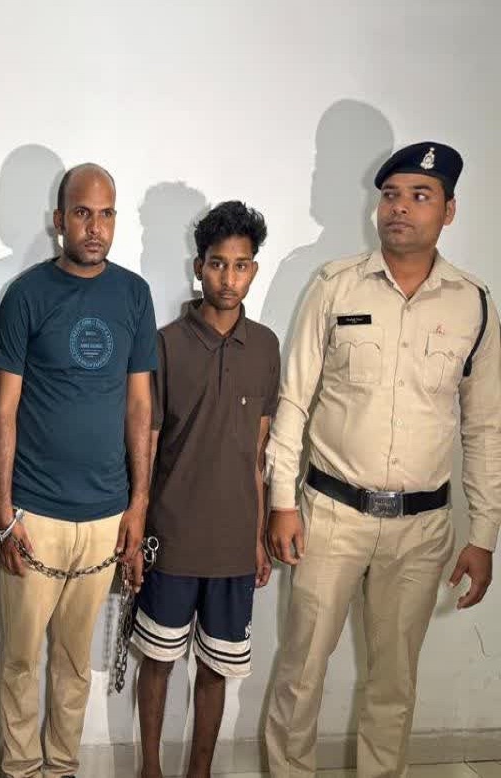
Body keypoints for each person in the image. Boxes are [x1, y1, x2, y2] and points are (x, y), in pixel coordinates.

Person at [264, 142, 501, 776]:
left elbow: (485, 427)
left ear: (449, 211)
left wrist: (483, 533)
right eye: (391, 195)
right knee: (300, 675)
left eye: (420, 196)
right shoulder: (334, 285)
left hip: (421, 530)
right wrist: (281, 502)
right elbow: (294, 399)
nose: (400, 208)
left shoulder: (474, 303)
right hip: (330, 516)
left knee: (393, 685)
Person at [0, 163, 156, 778]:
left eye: (106, 214)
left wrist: (138, 505)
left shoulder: (133, 295)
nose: (94, 227)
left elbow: (140, 408)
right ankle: (19, 770)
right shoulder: (26, 295)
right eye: (82, 213)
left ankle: (61, 768)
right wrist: (2, 512)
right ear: (59, 220)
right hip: (34, 513)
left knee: (74, 663)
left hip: (106, 515)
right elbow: (4, 411)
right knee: (20, 662)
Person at [130, 201, 279, 778]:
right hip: (171, 540)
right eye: (218, 264)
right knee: (158, 663)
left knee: (217, 670)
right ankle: (149, 768)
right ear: (199, 267)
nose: (228, 278)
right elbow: (147, 443)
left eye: (240, 266)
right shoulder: (166, 343)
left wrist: (258, 537)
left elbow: (258, 455)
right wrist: (137, 528)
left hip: (234, 546)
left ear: (253, 271)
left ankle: (200, 771)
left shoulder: (265, 347)